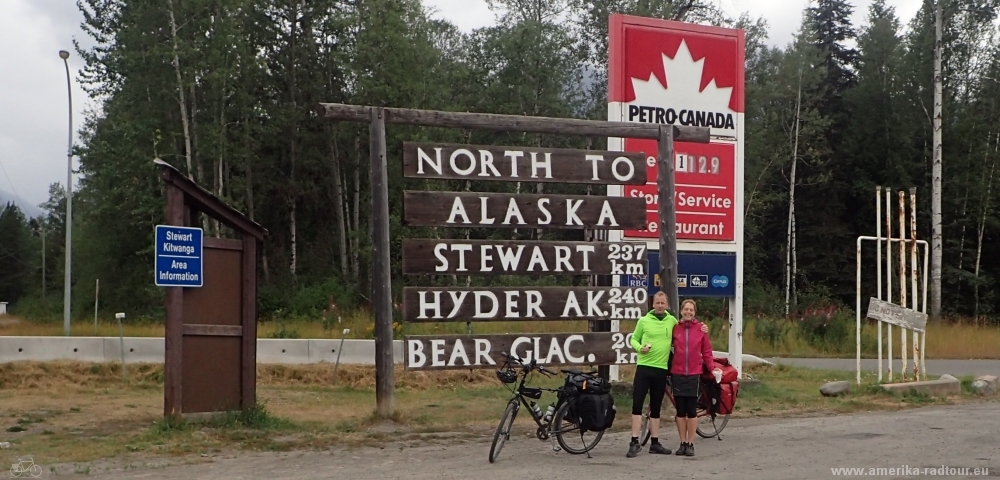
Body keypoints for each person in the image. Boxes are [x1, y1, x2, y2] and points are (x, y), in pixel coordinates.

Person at [626, 292, 708, 458]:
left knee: (656, 407)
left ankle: (655, 442)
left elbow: (688, 328)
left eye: (663, 303)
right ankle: (634, 441)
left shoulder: (672, 321)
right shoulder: (644, 321)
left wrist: (703, 327)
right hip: (644, 367)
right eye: (657, 302)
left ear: (667, 305)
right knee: (637, 405)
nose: (660, 305)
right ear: (653, 304)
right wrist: (639, 347)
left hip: (661, 369)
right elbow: (633, 339)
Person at [668, 298, 714, 457]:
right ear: (681, 311)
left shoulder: (701, 329)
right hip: (678, 373)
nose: (688, 312)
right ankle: (682, 443)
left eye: (691, 310)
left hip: (694, 373)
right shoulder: (675, 328)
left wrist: (712, 369)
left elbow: (707, 351)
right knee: (680, 411)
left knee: (691, 411)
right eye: (686, 309)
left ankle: (691, 443)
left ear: (694, 313)